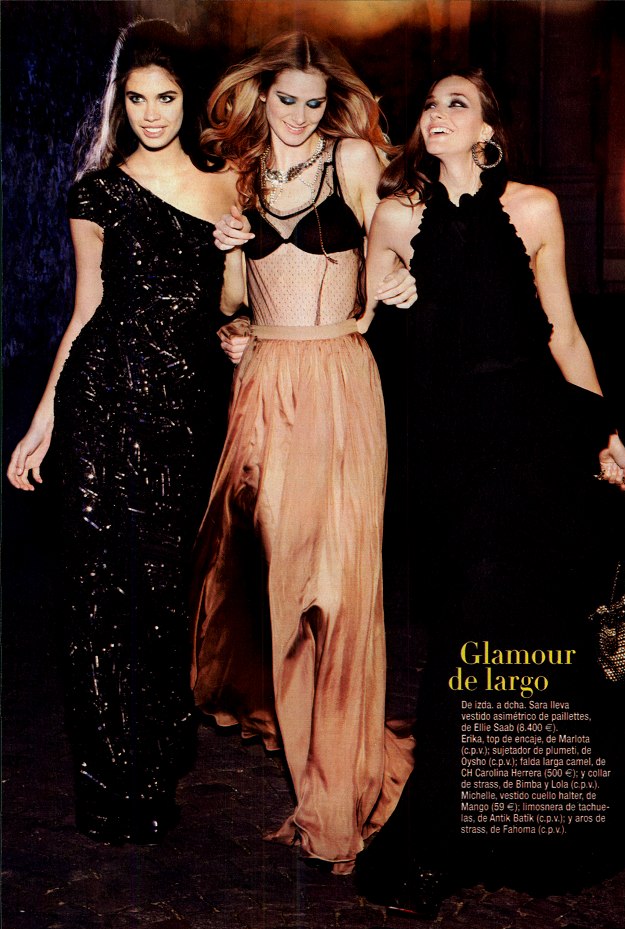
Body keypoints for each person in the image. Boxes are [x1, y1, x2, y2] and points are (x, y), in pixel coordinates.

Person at [353, 69, 625, 913]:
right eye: (431, 104)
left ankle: (479, 835)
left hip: (534, 437)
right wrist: (386, 296)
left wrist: (605, 431)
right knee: (465, 630)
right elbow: (363, 319)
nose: (437, 114)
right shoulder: (395, 215)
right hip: (447, 452)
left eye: (458, 104)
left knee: (513, 628)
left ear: (488, 131)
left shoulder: (535, 209)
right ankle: (452, 829)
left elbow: (564, 333)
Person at [7, 19, 239, 844]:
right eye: (136, 99)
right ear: (121, 104)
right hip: (102, 403)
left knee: (164, 588)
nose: (151, 114)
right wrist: (42, 422)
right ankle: (111, 779)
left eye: (165, 98)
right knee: (99, 590)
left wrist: (239, 278)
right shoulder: (96, 193)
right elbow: (84, 314)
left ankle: (158, 754)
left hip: (184, 411)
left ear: (187, 98)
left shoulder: (229, 187)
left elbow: (236, 306)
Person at [189, 32, 416, 873]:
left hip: (339, 382)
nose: (299, 115)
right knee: (283, 580)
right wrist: (230, 298)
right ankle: (309, 748)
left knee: (341, 585)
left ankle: (338, 783)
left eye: (314, 103)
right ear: (261, 96)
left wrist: (398, 281)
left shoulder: (351, 159)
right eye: (287, 99)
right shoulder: (240, 174)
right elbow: (233, 302)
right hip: (264, 385)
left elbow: (399, 238)